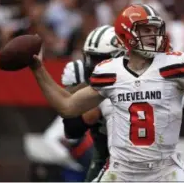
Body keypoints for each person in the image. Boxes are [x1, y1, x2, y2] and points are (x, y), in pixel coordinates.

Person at [29, 4, 184, 182]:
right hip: (122, 171)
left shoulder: (173, 64)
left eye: (155, 29)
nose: (153, 35)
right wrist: (38, 70)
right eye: (145, 30)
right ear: (125, 35)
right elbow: (67, 106)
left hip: (165, 168)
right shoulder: (109, 71)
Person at [45, 25, 126, 182]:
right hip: (104, 157)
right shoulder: (90, 82)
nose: (93, 66)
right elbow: (72, 127)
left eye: (100, 60)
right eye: (91, 59)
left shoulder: (131, 84)